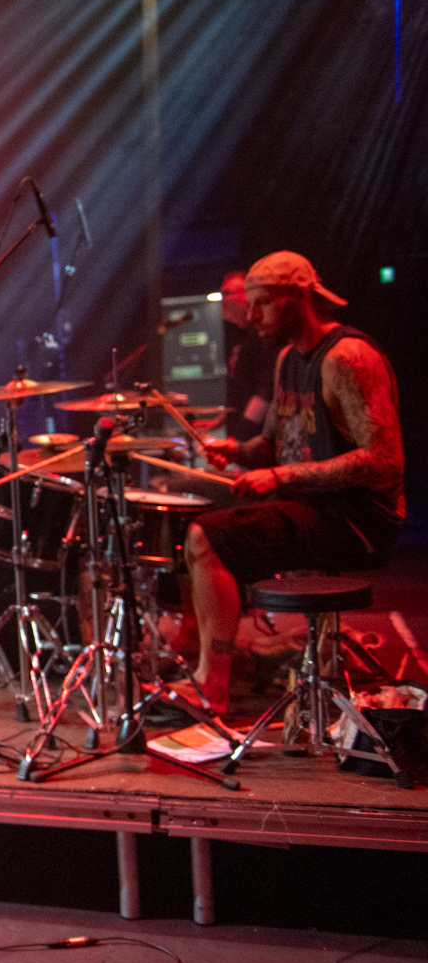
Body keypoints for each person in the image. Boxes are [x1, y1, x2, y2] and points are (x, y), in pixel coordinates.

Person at [182, 251, 405, 712]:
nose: (251, 315)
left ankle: (212, 683)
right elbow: (272, 444)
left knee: (205, 538)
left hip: (357, 519)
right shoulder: (288, 359)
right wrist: (236, 451)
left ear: (298, 298)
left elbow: (385, 460)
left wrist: (280, 475)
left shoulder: (348, 357)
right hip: (312, 506)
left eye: (262, 302)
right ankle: (213, 657)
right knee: (190, 517)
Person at [218, 271, 278, 441]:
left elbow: (263, 395)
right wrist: (219, 421)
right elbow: (240, 392)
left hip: (256, 441)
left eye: (227, 293)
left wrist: (239, 439)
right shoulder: (241, 336)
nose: (222, 301)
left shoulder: (261, 336)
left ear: (247, 297)